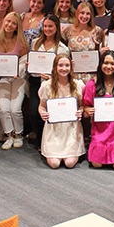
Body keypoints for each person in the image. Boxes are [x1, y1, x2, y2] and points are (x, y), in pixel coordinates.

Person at [0, 12, 29, 150]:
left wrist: (19, 71)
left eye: (13, 23)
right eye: (8, 21)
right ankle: (9, 135)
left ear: (17, 27)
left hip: (18, 79)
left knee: (15, 109)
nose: (10, 25)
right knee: (3, 109)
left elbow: (24, 61)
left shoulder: (21, 41)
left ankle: (18, 135)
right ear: (4, 21)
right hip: (1, 79)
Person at [29, 14, 70, 149]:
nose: (47, 29)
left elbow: (65, 69)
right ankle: (40, 140)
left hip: (53, 85)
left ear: (57, 28)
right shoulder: (35, 43)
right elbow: (32, 63)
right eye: (45, 26)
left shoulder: (63, 48)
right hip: (36, 81)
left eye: (50, 26)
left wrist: (52, 77)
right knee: (35, 112)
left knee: (51, 113)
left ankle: (51, 142)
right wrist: (31, 66)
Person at [38, 54, 85, 168]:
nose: (64, 69)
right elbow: (42, 106)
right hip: (54, 130)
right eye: (61, 65)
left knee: (69, 163)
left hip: (71, 129)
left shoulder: (78, 85)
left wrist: (81, 111)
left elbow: (82, 105)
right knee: (54, 164)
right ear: (55, 67)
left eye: (67, 65)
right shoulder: (46, 85)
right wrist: (42, 113)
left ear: (71, 67)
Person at [62, 2, 104, 84]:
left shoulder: (97, 31)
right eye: (82, 13)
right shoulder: (68, 31)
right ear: (77, 13)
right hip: (73, 75)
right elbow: (63, 51)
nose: (84, 16)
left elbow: (101, 52)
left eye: (88, 14)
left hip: (92, 76)